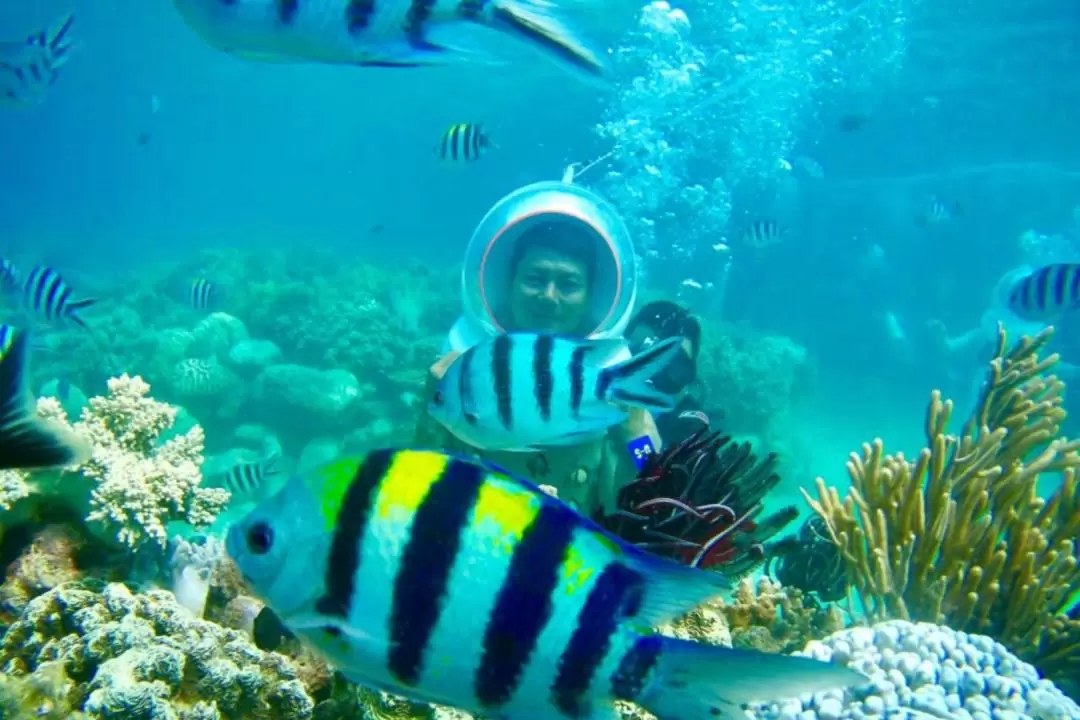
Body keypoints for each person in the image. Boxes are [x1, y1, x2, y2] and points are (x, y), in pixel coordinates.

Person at [414, 178, 659, 515]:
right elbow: (420, 477)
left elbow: (654, 483)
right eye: (535, 278)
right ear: (509, 282)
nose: (549, 296)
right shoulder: (468, 365)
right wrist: (431, 412)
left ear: (590, 296)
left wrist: (637, 435)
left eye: (569, 284)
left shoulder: (611, 377)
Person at [624, 300, 722, 444]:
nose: (649, 381)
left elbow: (697, 464)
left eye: (672, 365)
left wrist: (638, 439)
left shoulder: (692, 428)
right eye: (636, 358)